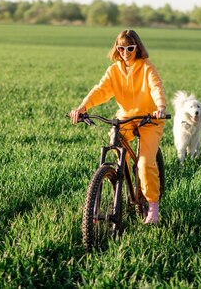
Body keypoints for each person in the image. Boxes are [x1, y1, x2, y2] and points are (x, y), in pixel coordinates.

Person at [69, 29, 167, 224]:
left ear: (137, 48)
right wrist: (82, 107)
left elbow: (155, 87)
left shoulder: (147, 67)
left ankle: (152, 206)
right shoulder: (114, 70)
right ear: (117, 48)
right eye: (121, 48)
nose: (125, 52)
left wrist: (161, 107)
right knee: (116, 147)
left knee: (144, 163)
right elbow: (101, 90)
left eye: (130, 48)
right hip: (125, 118)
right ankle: (122, 187)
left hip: (149, 118)